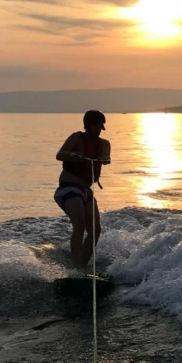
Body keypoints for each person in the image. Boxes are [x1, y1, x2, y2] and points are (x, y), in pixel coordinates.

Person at [54, 110, 111, 269]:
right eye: (97, 126)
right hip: (68, 188)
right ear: (89, 126)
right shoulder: (76, 138)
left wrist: (104, 159)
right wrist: (73, 156)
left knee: (95, 230)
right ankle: (75, 267)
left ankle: (82, 268)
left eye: (101, 126)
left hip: (86, 191)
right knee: (79, 226)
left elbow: (106, 156)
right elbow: (59, 155)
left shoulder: (104, 144)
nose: (100, 129)